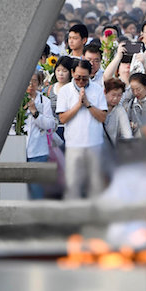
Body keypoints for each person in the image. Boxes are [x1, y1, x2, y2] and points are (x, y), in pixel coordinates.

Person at [56, 60, 108, 199]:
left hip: (94, 143)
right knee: (73, 183)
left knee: (95, 183)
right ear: (72, 73)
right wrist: (78, 105)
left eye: (84, 78)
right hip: (74, 144)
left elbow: (103, 117)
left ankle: (95, 216)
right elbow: (62, 118)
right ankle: (72, 216)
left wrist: (88, 104)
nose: (81, 81)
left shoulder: (97, 89)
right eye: (78, 77)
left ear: (90, 74)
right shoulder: (65, 91)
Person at [23, 70, 58, 199]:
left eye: (34, 81)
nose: (30, 84)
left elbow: (50, 124)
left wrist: (35, 112)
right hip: (17, 149)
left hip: (38, 151)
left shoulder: (45, 101)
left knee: (36, 188)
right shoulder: (15, 99)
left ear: (39, 83)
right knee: (18, 189)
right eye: (28, 81)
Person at [102, 78, 133, 180]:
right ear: (105, 92)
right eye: (113, 95)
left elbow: (127, 133)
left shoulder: (119, 110)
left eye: (119, 95)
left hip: (111, 152)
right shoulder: (97, 107)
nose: (115, 98)